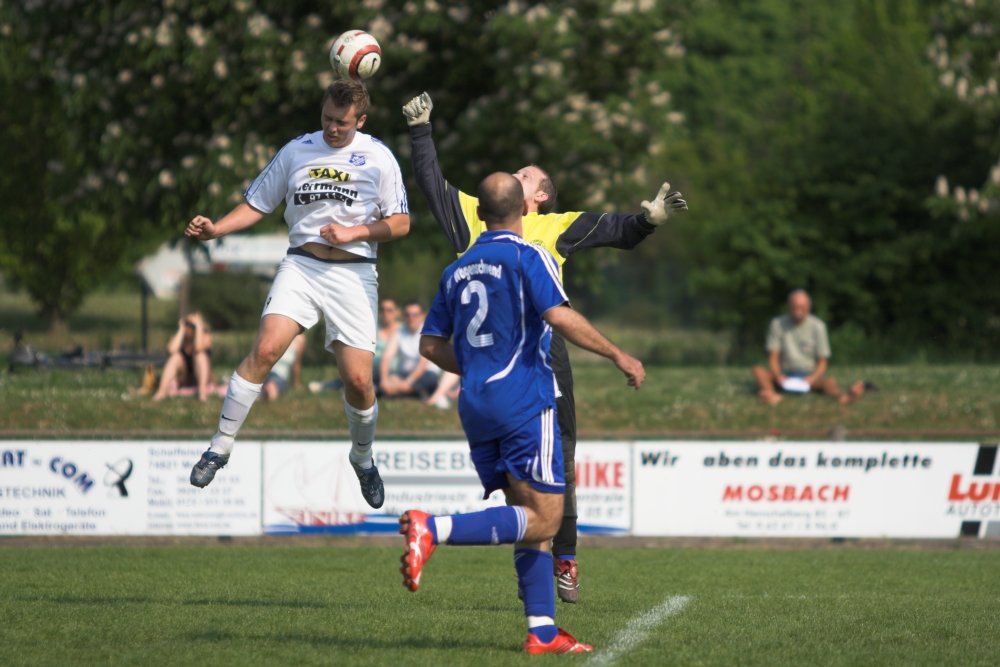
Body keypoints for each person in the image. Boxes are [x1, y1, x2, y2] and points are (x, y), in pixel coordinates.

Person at [402, 91, 687, 602]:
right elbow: (431, 185)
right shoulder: (477, 214)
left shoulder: (552, 226)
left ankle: (566, 561)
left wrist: (647, 221)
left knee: (562, 462)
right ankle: (533, 586)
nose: (518, 174)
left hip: (537, 356)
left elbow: (614, 229)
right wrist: (421, 133)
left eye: (528, 174)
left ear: (539, 197)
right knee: (522, 483)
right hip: (494, 358)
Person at [400, 172, 645, 654]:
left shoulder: (458, 268)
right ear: (524, 210)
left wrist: (475, 366)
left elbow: (429, 346)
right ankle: (434, 528)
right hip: (525, 400)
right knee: (547, 521)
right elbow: (559, 315)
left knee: (526, 513)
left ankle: (542, 630)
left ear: (482, 212)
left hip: (475, 404)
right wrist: (619, 354)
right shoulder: (528, 254)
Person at [184, 79, 410, 510]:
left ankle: (362, 458)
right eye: (326, 118)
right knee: (266, 349)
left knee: (359, 381)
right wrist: (216, 229)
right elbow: (257, 204)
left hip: (354, 273)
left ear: (360, 121)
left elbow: (400, 223)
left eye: (342, 123)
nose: (332, 128)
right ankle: (220, 445)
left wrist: (354, 232)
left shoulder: (379, 157)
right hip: (301, 266)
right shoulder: (296, 150)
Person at [753, 289, 865, 405]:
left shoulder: (818, 326)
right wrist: (778, 376)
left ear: (808, 307)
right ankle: (770, 394)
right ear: (789, 306)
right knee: (758, 370)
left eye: (801, 307)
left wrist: (813, 378)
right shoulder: (777, 324)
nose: (798, 310)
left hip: (808, 374)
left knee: (829, 381)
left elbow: (822, 361)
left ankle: (843, 396)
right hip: (784, 373)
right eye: (794, 306)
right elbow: (773, 357)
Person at [378, 300, 440, 399]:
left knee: (430, 379)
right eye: (408, 315)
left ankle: (395, 392)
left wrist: (408, 382)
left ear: (422, 316)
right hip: (404, 374)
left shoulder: (428, 332)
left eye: (415, 315)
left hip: (425, 373)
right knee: (388, 376)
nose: (411, 318)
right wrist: (384, 380)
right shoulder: (399, 332)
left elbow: (423, 363)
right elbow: (386, 357)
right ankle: (411, 393)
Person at [152, 311, 216, 402]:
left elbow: (198, 347)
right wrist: (181, 329)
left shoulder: (206, 336)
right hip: (185, 378)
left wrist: (198, 326)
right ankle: (161, 391)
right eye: (187, 324)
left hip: (203, 378)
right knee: (175, 357)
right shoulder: (181, 338)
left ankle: (202, 394)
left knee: (200, 355)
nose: (188, 328)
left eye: (191, 325)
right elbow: (171, 350)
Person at [261, 333, 305, 401]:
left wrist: (296, 383)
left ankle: (264, 395)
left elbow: (296, 364)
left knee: (272, 387)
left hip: (280, 376)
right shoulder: (273, 331)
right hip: (264, 373)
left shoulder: (299, 339)